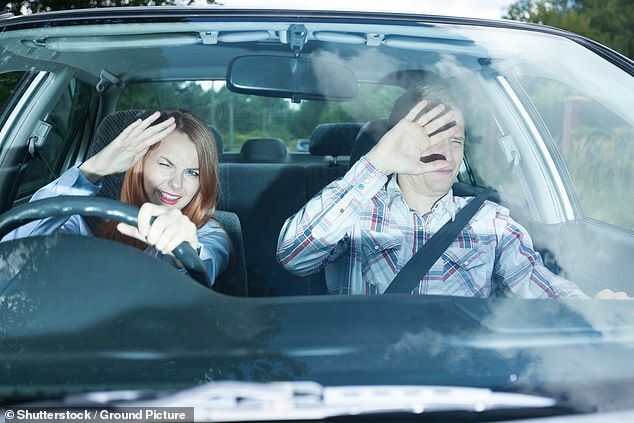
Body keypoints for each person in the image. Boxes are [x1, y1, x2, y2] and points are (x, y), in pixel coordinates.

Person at [277, 76, 628, 299]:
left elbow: (538, 284)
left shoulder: (491, 222)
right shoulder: (355, 213)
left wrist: (589, 310)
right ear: (397, 140)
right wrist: (376, 163)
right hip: (370, 381)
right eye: (430, 137)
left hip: (464, 383)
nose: (445, 152)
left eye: (456, 140)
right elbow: (293, 256)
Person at [2, 110, 230, 283]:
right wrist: (94, 168)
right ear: (140, 162)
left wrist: (184, 251)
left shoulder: (210, 234)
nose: (176, 184)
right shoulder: (88, 222)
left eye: (192, 173)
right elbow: (13, 251)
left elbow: (203, 268)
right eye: (165, 164)